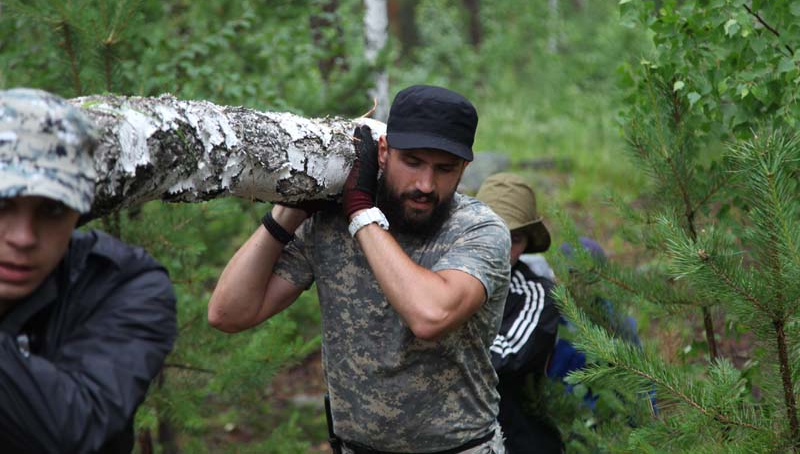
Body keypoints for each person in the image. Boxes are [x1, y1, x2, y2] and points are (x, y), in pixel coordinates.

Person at [209, 85, 511, 453]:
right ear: (383, 153)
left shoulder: (478, 230)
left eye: (444, 169)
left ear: (464, 167)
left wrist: (362, 214)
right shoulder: (331, 222)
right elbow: (228, 312)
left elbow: (430, 315)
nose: (425, 185)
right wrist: (291, 209)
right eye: (412, 162)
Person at [0, 88, 177, 453]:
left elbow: (72, 428)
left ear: (77, 212)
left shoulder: (123, 285)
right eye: (3, 205)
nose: (23, 238)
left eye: (51, 210)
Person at [476, 173, 564, 454]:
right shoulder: (443, 273)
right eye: (493, 232)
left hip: (516, 438)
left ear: (526, 243)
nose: (501, 248)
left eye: (513, 238)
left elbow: (503, 356)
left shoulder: (535, 294)